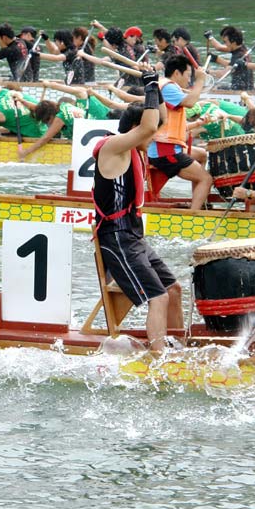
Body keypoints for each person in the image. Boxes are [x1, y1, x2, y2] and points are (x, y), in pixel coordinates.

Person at [92, 72, 184, 352]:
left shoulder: (135, 147)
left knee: (174, 290)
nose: (157, 134)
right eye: (151, 129)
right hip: (115, 238)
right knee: (158, 298)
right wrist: (150, 87)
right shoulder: (113, 148)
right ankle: (159, 359)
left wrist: (159, 84)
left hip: (133, 236)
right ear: (135, 127)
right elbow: (146, 128)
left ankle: (179, 346)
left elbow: (161, 120)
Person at [148, 55, 213, 210]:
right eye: (188, 76)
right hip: (164, 151)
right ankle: (193, 215)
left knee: (202, 155)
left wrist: (198, 123)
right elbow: (190, 102)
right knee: (206, 179)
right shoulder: (168, 87)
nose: (189, 80)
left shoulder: (166, 85)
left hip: (168, 147)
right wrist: (200, 80)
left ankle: (198, 200)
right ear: (177, 73)